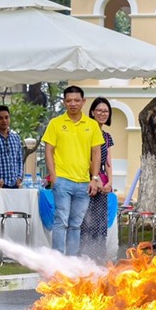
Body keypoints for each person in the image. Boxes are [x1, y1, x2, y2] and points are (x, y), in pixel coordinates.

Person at [42, 86, 103, 255]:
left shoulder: (91, 125)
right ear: (64, 102)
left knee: (76, 223)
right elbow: (49, 150)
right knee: (61, 221)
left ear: (83, 102)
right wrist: (53, 176)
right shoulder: (55, 123)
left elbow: (96, 152)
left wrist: (95, 178)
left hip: (84, 182)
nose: (73, 104)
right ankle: (58, 259)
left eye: (77, 100)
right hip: (62, 180)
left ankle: (72, 260)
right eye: (69, 101)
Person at [80, 97, 114, 263]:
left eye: (106, 111)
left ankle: (99, 257)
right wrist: (94, 179)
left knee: (101, 223)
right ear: (92, 112)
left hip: (102, 181)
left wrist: (109, 182)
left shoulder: (107, 136)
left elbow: (108, 161)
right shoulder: (86, 132)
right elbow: (86, 157)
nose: (102, 114)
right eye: (99, 110)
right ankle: (85, 257)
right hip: (88, 180)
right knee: (87, 222)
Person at [0, 105, 24, 189]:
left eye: (6, 117)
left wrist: (19, 177)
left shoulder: (16, 137)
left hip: (14, 184)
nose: (4, 120)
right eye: (0, 118)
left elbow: (19, 159)